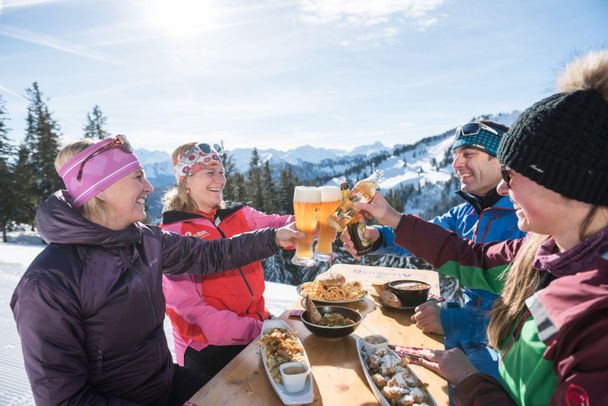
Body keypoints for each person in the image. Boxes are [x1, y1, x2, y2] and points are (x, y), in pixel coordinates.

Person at [351, 50, 608, 404]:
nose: (504, 187)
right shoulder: (540, 249)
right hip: (480, 364)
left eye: (513, 175)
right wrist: (384, 227)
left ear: (566, 182)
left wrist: (470, 371)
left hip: (482, 363)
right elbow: (462, 254)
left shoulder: (593, 311)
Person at [10, 136, 301, 405]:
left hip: (165, 383)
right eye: (138, 177)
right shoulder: (48, 284)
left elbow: (211, 254)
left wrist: (274, 238)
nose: (149, 187)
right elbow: (64, 401)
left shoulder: (145, 240)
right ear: (102, 190)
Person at [343, 120, 525, 382]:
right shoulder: (466, 212)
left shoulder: (527, 218)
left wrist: (453, 321)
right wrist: (377, 237)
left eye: (468, 154)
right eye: (455, 155)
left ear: (501, 161)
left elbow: (523, 320)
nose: (457, 163)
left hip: (504, 362)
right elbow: (429, 235)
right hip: (467, 342)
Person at [160, 141, 294, 376]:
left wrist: (322, 218)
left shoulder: (238, 215)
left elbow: (282, 225)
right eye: (209, 172)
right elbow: (190, 314)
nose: (220, 180)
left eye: (221, 172)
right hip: (208, 350)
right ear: (186, 180)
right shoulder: (173, 234)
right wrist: (258, 329)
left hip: (257, 328)